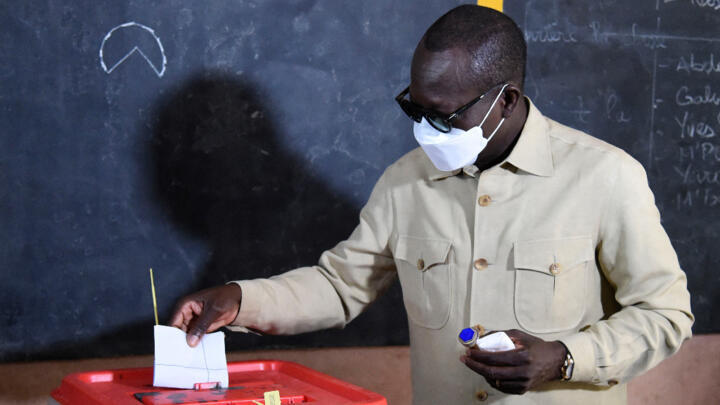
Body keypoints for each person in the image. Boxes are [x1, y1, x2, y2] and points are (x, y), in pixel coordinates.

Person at [169, 5, 693, 404]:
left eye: (443, 115)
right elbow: (340, 286)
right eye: (415, 109)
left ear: (504, 100)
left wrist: (564, 358)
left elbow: (666, 314)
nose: (425, 129)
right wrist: (242, 299)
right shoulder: (404, 184)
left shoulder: (605, 176)